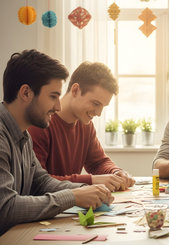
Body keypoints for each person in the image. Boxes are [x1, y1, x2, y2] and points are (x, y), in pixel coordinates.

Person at [0, 49, 113, 235]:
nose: (58, 106)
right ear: (26, 93)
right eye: (53, 96)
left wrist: (87, 191)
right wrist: (73, 196)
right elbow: (6, 208)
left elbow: (41, 181)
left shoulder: (22, 135)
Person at [28, 61, 135, 192]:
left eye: (102, 106)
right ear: (75, 90)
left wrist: (116, 172)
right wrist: (91, 180)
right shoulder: (40, 124)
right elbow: (38, 182)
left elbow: (98, 162)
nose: (99, 113)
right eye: (96, 103)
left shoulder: (86, 126)